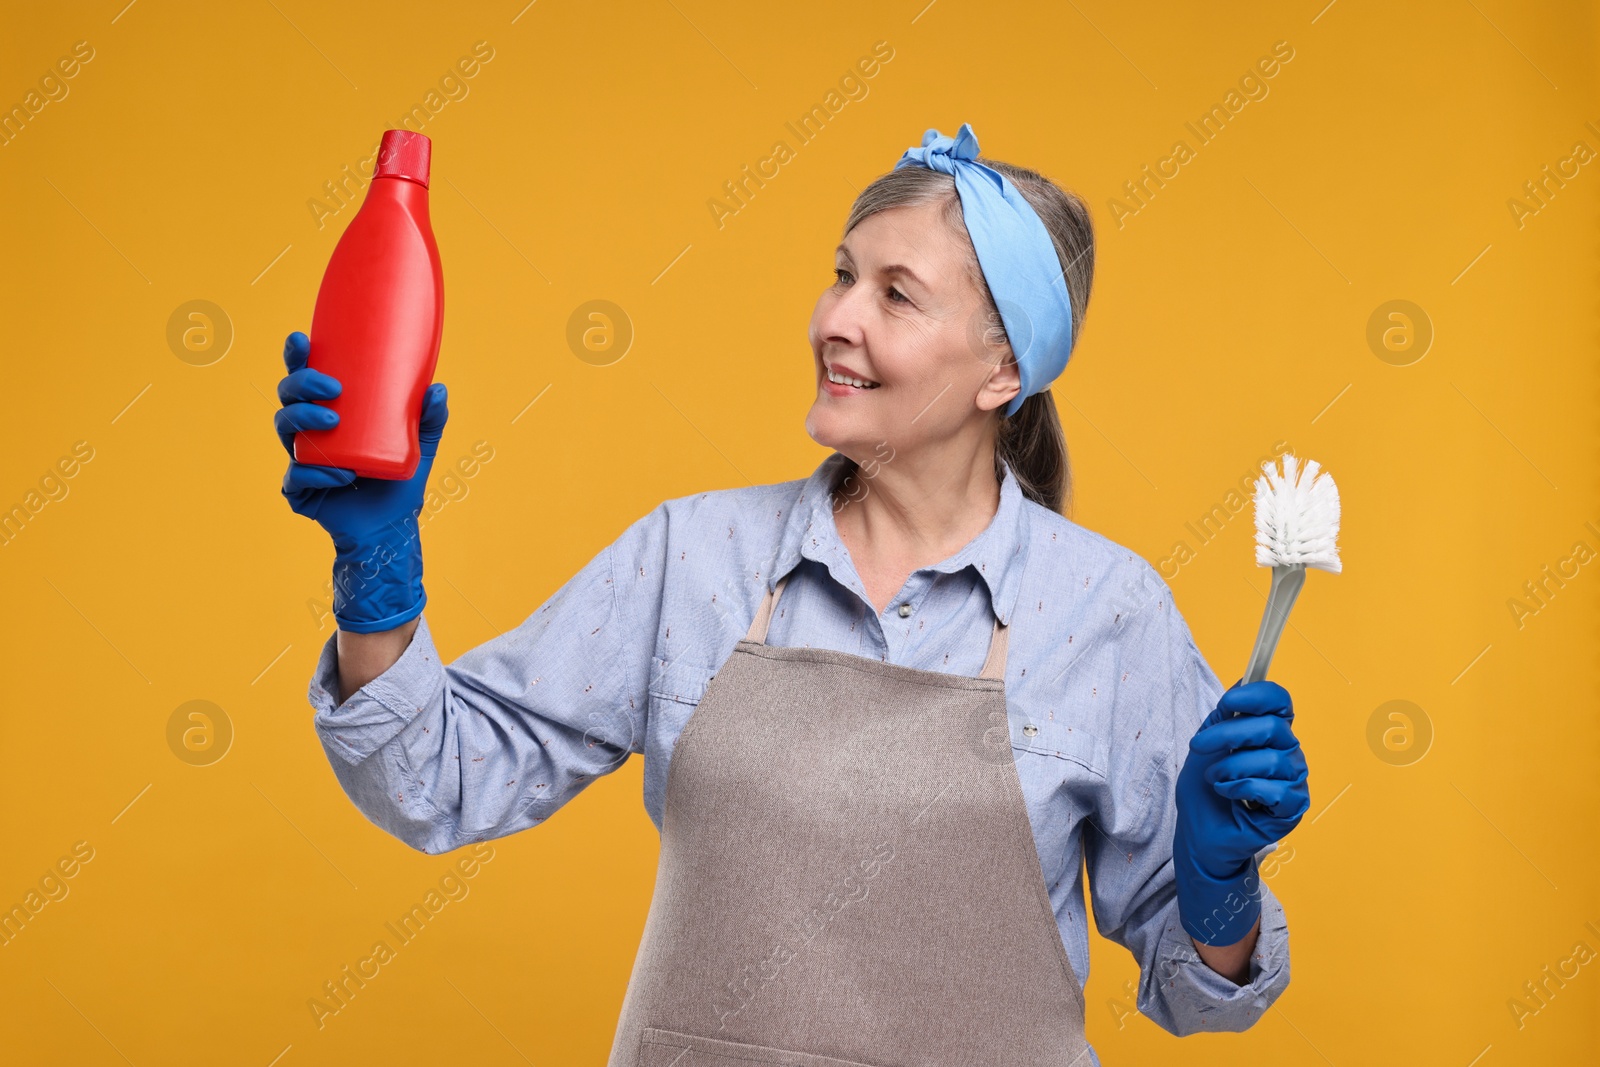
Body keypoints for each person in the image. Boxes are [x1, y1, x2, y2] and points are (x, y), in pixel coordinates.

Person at [276, 123, 1310, 1066]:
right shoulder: (695, 557)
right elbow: (434, 780)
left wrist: (1220, 883)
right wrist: (379, 568)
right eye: (841, 275)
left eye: (894, 294)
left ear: (1003, 369)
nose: (835, 319)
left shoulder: (1107, 611)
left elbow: (1203, 996)